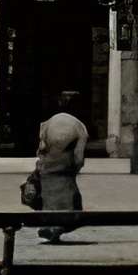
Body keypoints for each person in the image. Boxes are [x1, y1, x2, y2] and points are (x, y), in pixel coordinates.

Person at [29, 90, 88, 243]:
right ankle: (56, 227)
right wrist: (73, 170)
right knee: (67, 204)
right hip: (64, 174)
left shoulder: (47, 124)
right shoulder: (80, 128)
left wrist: (43, 164)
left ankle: (50, 226)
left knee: (49, 202)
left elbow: (41, 149)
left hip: (47, 171)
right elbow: (79, 159)